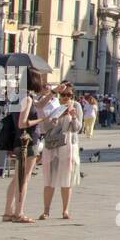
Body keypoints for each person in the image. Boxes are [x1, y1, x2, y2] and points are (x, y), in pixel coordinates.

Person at [1, 70, 48, 223]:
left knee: (17, 178)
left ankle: (8, 211)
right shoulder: (26, 99)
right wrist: (40, 120)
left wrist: (53, 93)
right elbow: (23, 123)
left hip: (17, 141)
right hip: (28, 141)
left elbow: (39, 104)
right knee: (24, 178)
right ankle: (19, 213)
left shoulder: (17, 97)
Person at [40, 84, 83, 220]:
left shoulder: (76, 106)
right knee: (49, 179)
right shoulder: (53, 105)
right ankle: (46, 210)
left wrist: (73, 116)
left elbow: (77, 128)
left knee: (67, 179)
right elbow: (44, 127)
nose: (65, 98)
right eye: (63, 95)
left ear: (73, 96)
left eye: (69, 95)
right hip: (52, 145)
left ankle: (65, 210)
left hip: (69, 145)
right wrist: (56, 117)